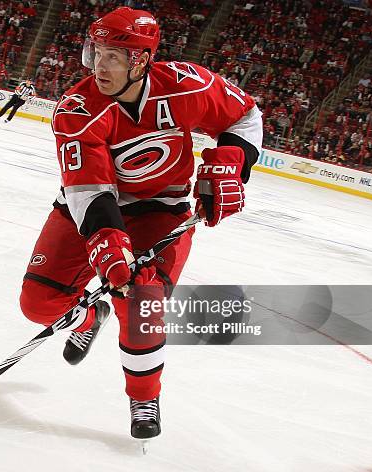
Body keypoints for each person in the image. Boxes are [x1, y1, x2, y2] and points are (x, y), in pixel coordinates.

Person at [19, 7, 262, 442]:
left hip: (161, 209)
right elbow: (90, 190)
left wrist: (229, 164)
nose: (99, 66)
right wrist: (108, 244)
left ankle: (143, 396)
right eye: (96, 52)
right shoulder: (77, 109)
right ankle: (90, 316)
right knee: (38, 304)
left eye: (114, 56)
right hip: (91, 207)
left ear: (141, 59)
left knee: (142, 302)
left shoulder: (188, 86)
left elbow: (244, 115)